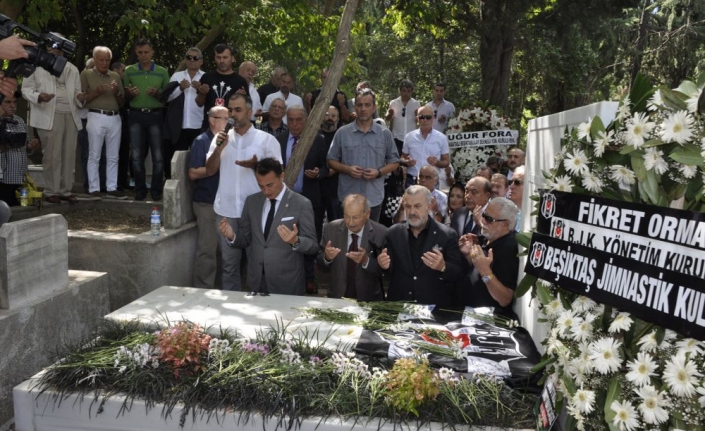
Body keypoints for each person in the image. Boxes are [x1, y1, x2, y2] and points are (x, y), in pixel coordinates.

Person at [205, 93, 281, 291]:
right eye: (230, 110)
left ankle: (257, 308)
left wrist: (257, 165)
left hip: (256, 213)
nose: (233, 114)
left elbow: (279, 174)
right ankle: (231, 314)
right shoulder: (220, 138)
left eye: (238, 110)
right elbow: (210, 170)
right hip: (227, 211)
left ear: (249, 112)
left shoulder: (266, 140)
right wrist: (218, 150)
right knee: (229, 266)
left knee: (258, 265)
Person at [218, 157, 318, 296]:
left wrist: (295, 241)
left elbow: (313, 245)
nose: (266, 190)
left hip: (287, 284)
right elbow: (246, 240)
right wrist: (232, 236)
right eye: (261, 186)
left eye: (270, 185)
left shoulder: (301, 204)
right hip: (256, 282)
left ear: (282, 176)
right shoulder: (252, 202)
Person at [374, 185, 465, 306]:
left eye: (417, 206)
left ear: (428, 206)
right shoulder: (393, 233)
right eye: (408, 206)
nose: (412, 212)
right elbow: (388, 272)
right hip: (400, 307)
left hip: (434, 311)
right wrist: (383, 266)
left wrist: (443, 267)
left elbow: (458, 273)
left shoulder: (447, 235)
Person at [21, 42, 84, 204]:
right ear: (47, 50)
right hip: (48, 114)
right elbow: (25, 89)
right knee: (52, 155)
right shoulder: (36, 65)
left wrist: (81, 97)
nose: (56, 52)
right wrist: (39, 97)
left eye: (59, 50)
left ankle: (65, 190)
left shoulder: (72, 68)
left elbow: (77, 91)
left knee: (68, 154)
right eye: (53, 49)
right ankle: (51, 191)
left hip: (70, 114)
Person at [277, 105, 328, 293]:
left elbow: (326, 167)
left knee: (308, 238)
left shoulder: (318, 140)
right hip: (286, 199)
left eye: (299, 119)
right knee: (285, 237)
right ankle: (286, 276)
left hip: (309, 199)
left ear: (305, 121)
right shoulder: (280, 140)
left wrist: (318, 173)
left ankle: (309, 277)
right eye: (290, 120)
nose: (295, 123)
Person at [327, 88, 399, 222]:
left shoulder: (384, 134)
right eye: (359, 105)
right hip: (348, 197)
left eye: (367, 105)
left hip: (373, 198)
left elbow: (394, 161)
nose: (363, 109)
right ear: (355, 107)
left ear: (374, 107)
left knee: (370, 239)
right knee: (346, 239)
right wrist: (347, 169)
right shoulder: (342, 133)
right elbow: (331, 160)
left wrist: (378, 172)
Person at [457, 197, 520, 319]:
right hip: (470, 314)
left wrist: (485, 271)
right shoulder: (491, 238)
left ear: (505, 224)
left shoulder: (509, 248)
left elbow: (504, 299)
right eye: (484, 215)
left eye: (489, 219)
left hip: (487, 322)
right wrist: (469, 255)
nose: (483, 221)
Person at [123, 38, 169, 201]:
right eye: (140, 52)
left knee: (158, 155)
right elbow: (124, 96)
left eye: (146, 52)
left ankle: (156, 191)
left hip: (155, 115)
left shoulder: (162, 71)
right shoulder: (129, 70)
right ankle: (140, 190)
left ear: (152, 52)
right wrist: (130, 93)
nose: (143, 55)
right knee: (136, 154)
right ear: (136, 53)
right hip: (135, 115)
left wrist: (157, 94)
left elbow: (167, 96)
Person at [317, 194, 386, 300]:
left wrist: (366, 261)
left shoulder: (381, 233)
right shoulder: (330, 229)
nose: (350, 222)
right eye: (346, 216)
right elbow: (320, 265)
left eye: (355, 217)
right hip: (338, 299)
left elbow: (385, 272)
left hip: (368, 301)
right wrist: (327, 258)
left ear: (367, 214)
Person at [188, 106, 227, 289]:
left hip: (224, 204)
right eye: (224, 119)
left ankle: (218, 289)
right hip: (206, 203)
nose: (228, 123)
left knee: (223, 251)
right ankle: (202, 290)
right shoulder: (201, 141)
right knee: (207, 250)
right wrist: (213, 168)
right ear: (212, 120)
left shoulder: (229, 140)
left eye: (229, 119)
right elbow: (193, 173)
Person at [80, 46, 125, 200]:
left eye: (107, 60)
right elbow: (82, 99)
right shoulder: (86, 74)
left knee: (113, 155)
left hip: (114, 116)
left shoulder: (115, 76)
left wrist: (116, 92)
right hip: (95, 115)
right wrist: (97, 92)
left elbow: (122, 101)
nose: (104, 63)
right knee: (94, 154)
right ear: (95, 59)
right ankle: (94, 188)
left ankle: (112, 187)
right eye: (101, 60)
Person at [165, 47, 205, 179]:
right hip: (179, 126)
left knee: (198, 160)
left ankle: (196, 191)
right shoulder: (177, 76)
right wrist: (180, 88)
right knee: (177, 160)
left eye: (195, 58)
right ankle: (176, 188)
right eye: (189, 57)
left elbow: (210, 101)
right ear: (185, 60)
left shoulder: (206, 77)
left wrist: (201, 90)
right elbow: (167, 98)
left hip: (198, 125)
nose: (192, 60)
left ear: (201, 61)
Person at [195, 43, 249, 127]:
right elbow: (199, 103)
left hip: (231, 128)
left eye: (225, 57)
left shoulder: (240, 81)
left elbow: (246, 108)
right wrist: (202, 93)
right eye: (218, 57)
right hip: (209, 127)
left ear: (232, 58)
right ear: (215, 58)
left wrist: (242, 98)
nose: (222, 61)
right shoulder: (207, 77)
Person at [0, 92, 39, 206]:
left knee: (21, 209)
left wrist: (30, 146)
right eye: (8, 102)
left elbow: (26, 149)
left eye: (14, 102)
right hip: (4, 179)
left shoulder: (20, 121)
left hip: (20, 178)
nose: (12, 105)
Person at [401, 105, 450, 188]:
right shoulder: (409, 137)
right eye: (421, 117)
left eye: (428, 117)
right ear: (417, 119)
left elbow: (446, 162)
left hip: (432, 180)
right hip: (413, 179)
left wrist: (437, 163)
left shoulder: (441, 138)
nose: (424, 120)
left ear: (433, 118)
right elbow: (402, 158)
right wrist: (406, 162)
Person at [385, 79, 420, 153]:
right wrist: (390, 114)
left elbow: (420, 121)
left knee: (410, 162)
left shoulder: (416, 104)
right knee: (397, 162)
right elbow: (387, 119)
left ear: (411, 91)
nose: (406, 93)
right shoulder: (393, 103)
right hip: (397, 138)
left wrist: (418, 115)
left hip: (412, 138)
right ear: (400, 91)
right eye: (404, 90)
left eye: (408, 91)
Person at [319, 105, 341, 221]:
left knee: (336, 221)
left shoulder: (341, 136)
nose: (329, 118)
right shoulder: (314, 135)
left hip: (335, 186)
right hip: (317, 185)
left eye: (333, 116)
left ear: (337, 118)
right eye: (326, 115)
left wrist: (335, 169)